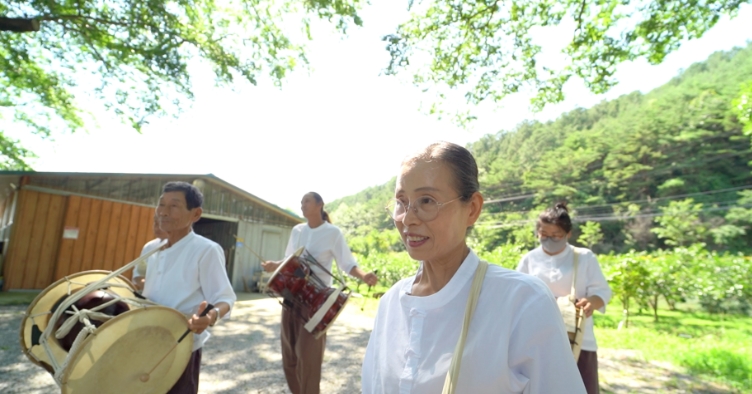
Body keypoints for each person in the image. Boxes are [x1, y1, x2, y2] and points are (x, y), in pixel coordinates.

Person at [361, 141, 586, 394]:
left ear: (472, 209)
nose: (408, 218)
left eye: (427, 200)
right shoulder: (390, 303)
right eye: (401, 202)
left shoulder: (521, 301)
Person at [262, 191, 378, 394]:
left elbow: (347, 263)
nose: (302, 205)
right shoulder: (297, 231)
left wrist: (364, 275)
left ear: (319, 205)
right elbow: (289, 260)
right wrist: (275, 265)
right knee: (289, 357)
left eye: (306, 201)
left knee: (308, 357)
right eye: (301, 202)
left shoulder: (332, 233)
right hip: (290, 297)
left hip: (316, 303)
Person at [142, 181, 237, 394]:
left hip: (181, 346)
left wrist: (210, 316)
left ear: (195, 214)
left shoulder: (206, 250)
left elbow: (225, 298)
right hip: (146, 341)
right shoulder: (152, 249)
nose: (163, 212)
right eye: (161, 204)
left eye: (174, 206)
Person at [516, 202, 612, 394]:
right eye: (544, 234)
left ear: (568, 234)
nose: (549, 239)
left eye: (556, 236)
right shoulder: (529, 259)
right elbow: (517, 294)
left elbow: (603, 292)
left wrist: (591, 303)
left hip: (577, 340)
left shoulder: (584, 257)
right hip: (537, 340)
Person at [131, 215, 168, 291]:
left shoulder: (181, 247)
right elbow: (138, 272)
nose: (157, 228)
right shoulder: (149, 246)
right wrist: (143, 284)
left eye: (162, 224)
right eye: (155, 224)